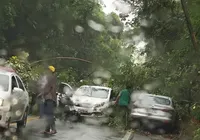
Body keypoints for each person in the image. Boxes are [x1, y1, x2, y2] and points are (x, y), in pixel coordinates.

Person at [38, 65, 57, 134]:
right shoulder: (50, 78)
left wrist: (42, 94)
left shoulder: (50, 78)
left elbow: (48, 88)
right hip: (48, 98)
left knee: (50, 115)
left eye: (48, 70)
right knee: (48, 115)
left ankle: (54, 130)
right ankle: (47, 129)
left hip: (50, 99)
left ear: (50, 71)